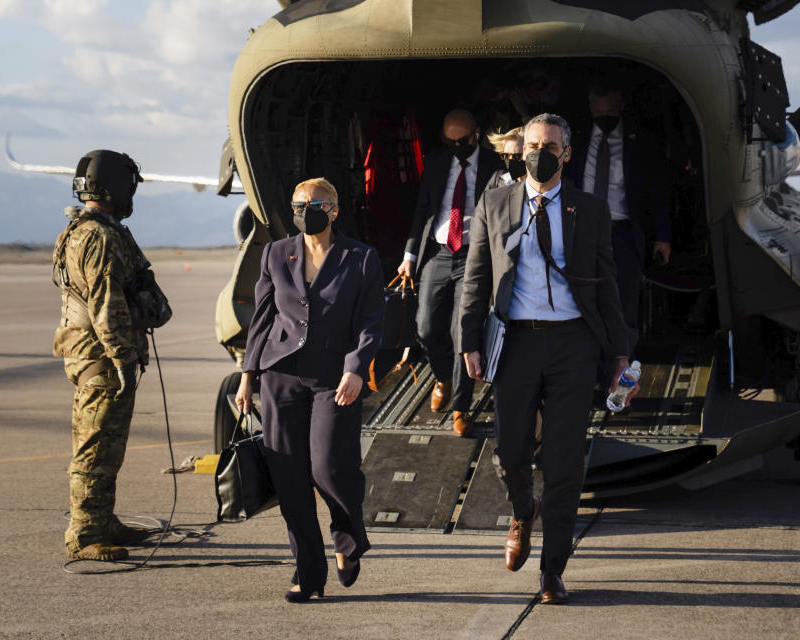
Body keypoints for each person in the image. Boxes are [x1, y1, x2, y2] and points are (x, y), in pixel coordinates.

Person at [459, 114, 632, 604]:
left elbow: (607, 286)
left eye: (550, 145)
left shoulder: (590, 210)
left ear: (566, 153)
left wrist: (620, 354)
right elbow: (475, 279)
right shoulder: (495, 203)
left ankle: (552, 571)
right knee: (509, 453)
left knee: (563, 462)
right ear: (521, 150)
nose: (540, 152)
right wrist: (468, 343)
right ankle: (521, 510)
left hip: (573, 343)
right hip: (514, 343)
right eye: (532, 144)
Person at [235, 177, 384, 603]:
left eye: (314, 203)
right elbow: (262, 319)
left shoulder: (361, 257)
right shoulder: (277, 253)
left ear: (334, 209)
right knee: (290, 478)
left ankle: (347, 539)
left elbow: (372, 321)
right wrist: (249, 375)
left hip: (333, 379)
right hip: (281, 375)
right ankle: (308, 574)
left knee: (329, 469)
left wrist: (357, 369)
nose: (304, 210)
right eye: (298, 203)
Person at [52, 150, 155, 561]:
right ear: (114, 187)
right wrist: (123, 358)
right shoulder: (99, 236)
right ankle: (84, 533)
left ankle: (102, 519)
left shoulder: (85, 230)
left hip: (93, 355)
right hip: (102, 359)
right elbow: (106, 304)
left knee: (107, 444)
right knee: (95, 446)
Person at [397, 109, 504, 436]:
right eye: (450, 141)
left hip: (475, 252)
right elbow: (422, 210)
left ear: (476, 135)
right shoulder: (436, 162)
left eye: (462, 140)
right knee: (426, 327)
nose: (456, 146)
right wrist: (410, 254)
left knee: (463, 332)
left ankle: (461, 406)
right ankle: (442, 376)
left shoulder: (494, 165)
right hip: (440, 250)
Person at [569, 78, 672, 355]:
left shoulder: (641, 142)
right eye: (599, 114)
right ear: (591, 109)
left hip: (623, 232)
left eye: (610, 114)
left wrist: (663, 236)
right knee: (582, 301)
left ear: (622, 107)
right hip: (583, 231)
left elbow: (658, 191)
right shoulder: (576, 139)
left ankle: (620, 367)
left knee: (624, 303)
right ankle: (589, 366)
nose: (605, 119)